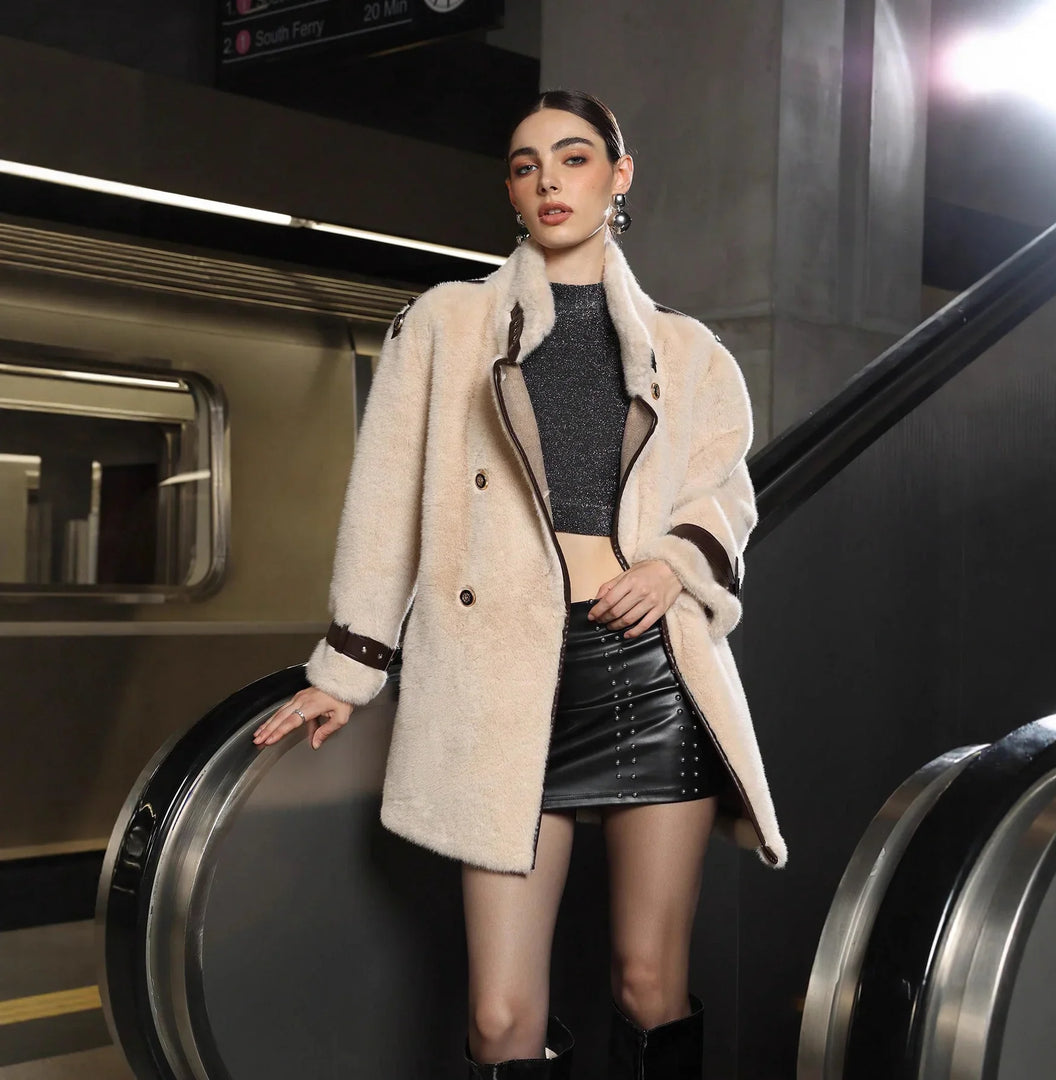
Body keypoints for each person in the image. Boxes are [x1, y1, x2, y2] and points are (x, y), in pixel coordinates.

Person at [253, 89, 786, 1079]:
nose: (549, 181)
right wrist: (350, 665)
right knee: (502, 1017)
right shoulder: (446, 325)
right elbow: (385, 504)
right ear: (509, 186)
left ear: (618, 176)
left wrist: (672, 564)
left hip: (648, 679)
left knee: (646, 983)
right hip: (498, 679)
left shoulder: (691, 351)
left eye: (574, 158)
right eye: (526, 164)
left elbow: (725, 493)